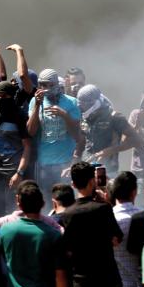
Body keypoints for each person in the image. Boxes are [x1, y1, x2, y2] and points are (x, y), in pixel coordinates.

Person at [28, 69, 84, 207]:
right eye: (41, 85)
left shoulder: (71, 102)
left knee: (67, 202)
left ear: (56, 84)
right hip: (44, 163)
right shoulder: (35, 102)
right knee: (47, 202)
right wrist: (36, 105)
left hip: (65, 162)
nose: (44, 89)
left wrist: (65, 116)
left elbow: (77, 136)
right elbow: (31, 131)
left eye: (48, 85)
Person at [75, 85, 141, 178]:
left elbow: (136, 139)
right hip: (87, 168)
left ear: (93, 103)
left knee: (105, 191)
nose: (81, 108)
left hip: (107, 171)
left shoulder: (114, 117)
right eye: (80, 104)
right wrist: (75, 162)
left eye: (83, 105)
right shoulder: (84, 117)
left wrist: (110, 150)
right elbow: (82, 142)